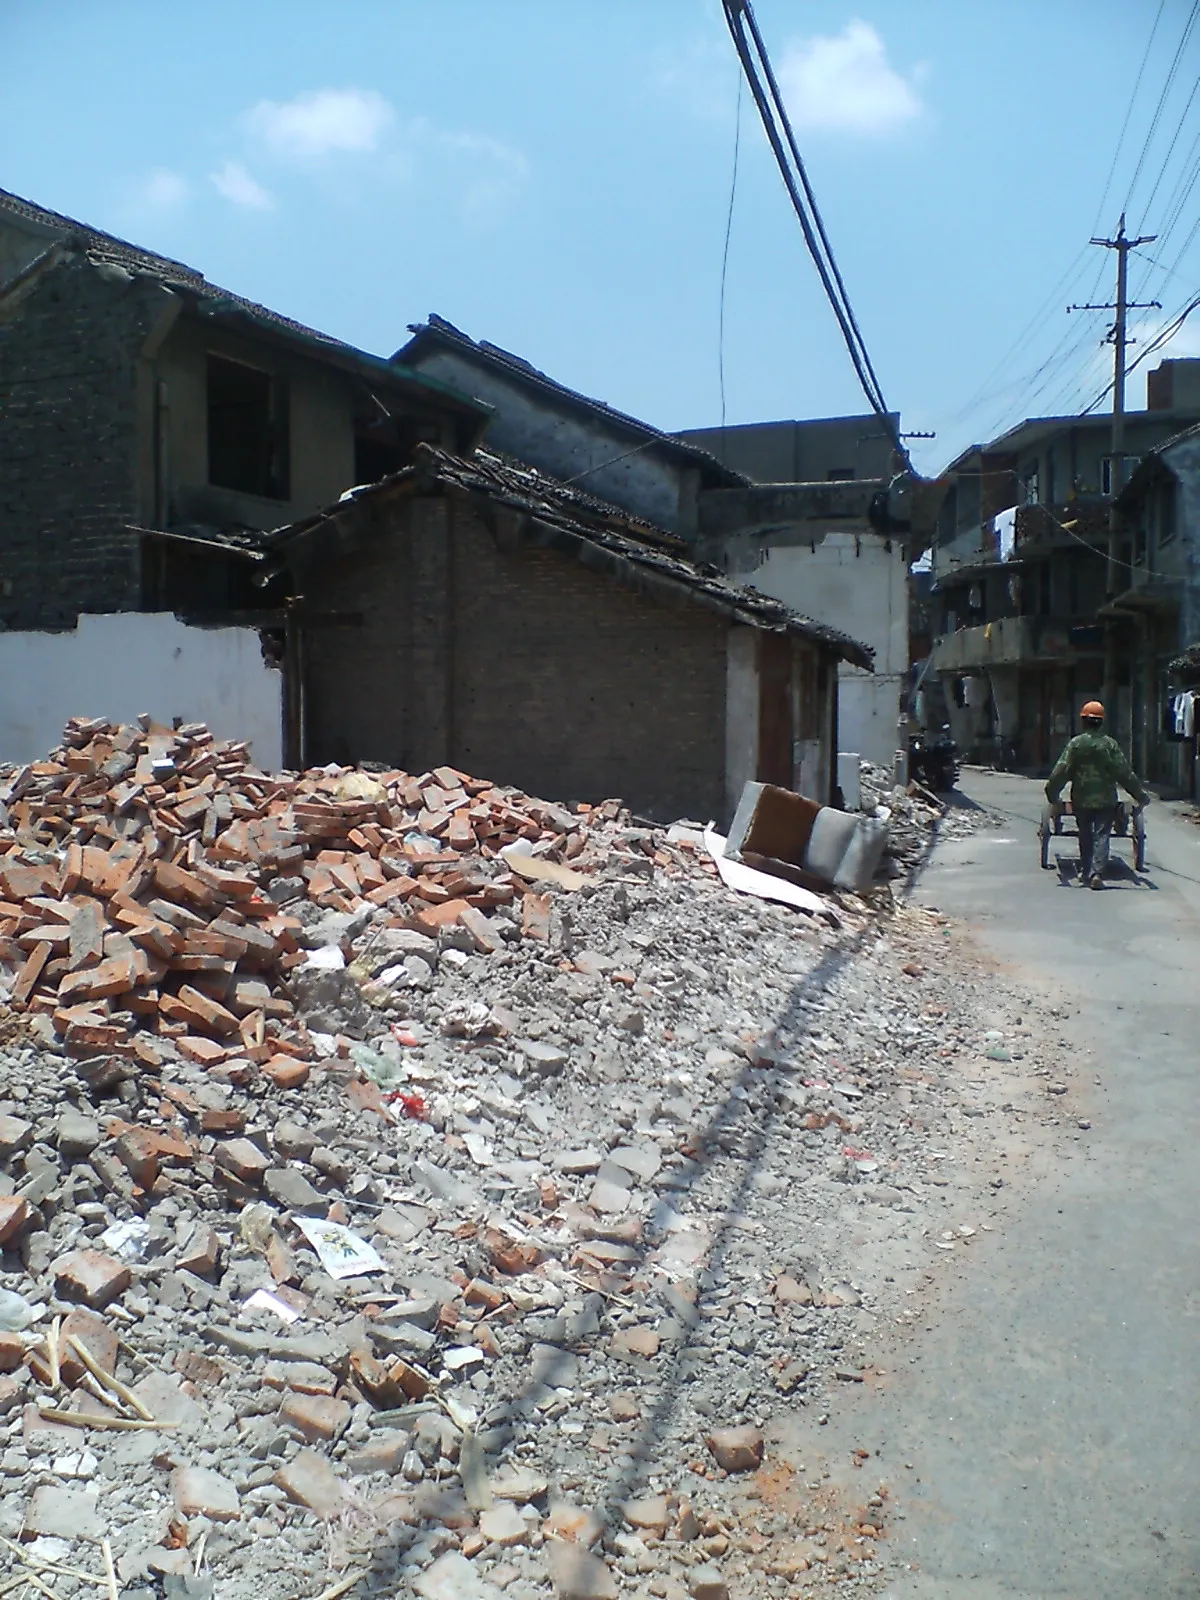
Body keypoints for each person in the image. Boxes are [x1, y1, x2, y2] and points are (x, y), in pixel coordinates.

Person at [1045, 701, 1148, 889]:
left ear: (1083, 721)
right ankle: (1097, 872)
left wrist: (1052, 793)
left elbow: (1061, 770)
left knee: (1084, 833)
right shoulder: (1110, 745)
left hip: (1082, 799)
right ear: (1101, 722)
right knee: (1102, 835)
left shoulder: (1076, 744)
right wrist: (1140, 795)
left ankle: (1086, 870)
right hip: (1106, 800)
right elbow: (1124, 773)